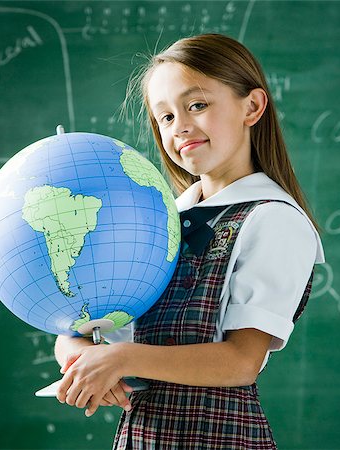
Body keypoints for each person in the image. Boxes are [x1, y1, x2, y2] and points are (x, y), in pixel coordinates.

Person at [54, 33, 325, 449]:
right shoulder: (159, 221)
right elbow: (103, 323)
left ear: (251, 106)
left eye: (196, 105)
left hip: (219, 438)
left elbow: (240, 362)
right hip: (141, 437)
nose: (179, 126)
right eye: (164, 117)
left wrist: (121, 359)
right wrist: (76, 353)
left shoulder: (273, 219)